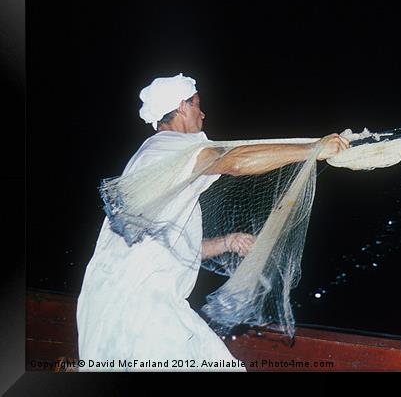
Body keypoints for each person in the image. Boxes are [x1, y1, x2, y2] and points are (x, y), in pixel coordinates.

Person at [76, 73, 349, 371]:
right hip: (139, 308)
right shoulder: (169, 148)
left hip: (127, 301)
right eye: (197, 105)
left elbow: (163, 245)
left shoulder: (159, 157)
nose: (203, 113)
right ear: (182, 106)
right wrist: (313, 150)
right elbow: (236, 162)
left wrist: (226, 243)